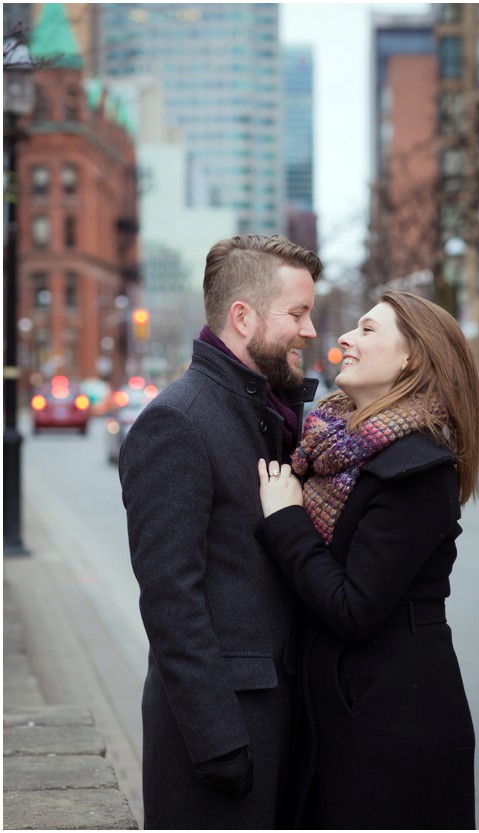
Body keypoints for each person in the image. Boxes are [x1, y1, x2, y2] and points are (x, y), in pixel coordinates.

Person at [254, 290, 479, 828]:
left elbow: (354, 607)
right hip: (342, 710)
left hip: (395, 724)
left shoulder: (419, 469)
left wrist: (285, 519)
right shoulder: (331, 449)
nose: (344, 338)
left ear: (412, 358)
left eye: (367, 329)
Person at [119, 234, 321, 828]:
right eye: (298, 313)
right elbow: (170, 600)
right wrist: (218, 743)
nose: (310, 331)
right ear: (242, 317)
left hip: (278, 720)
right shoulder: (177, 422)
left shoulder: (270, 415)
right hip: (222, 735)